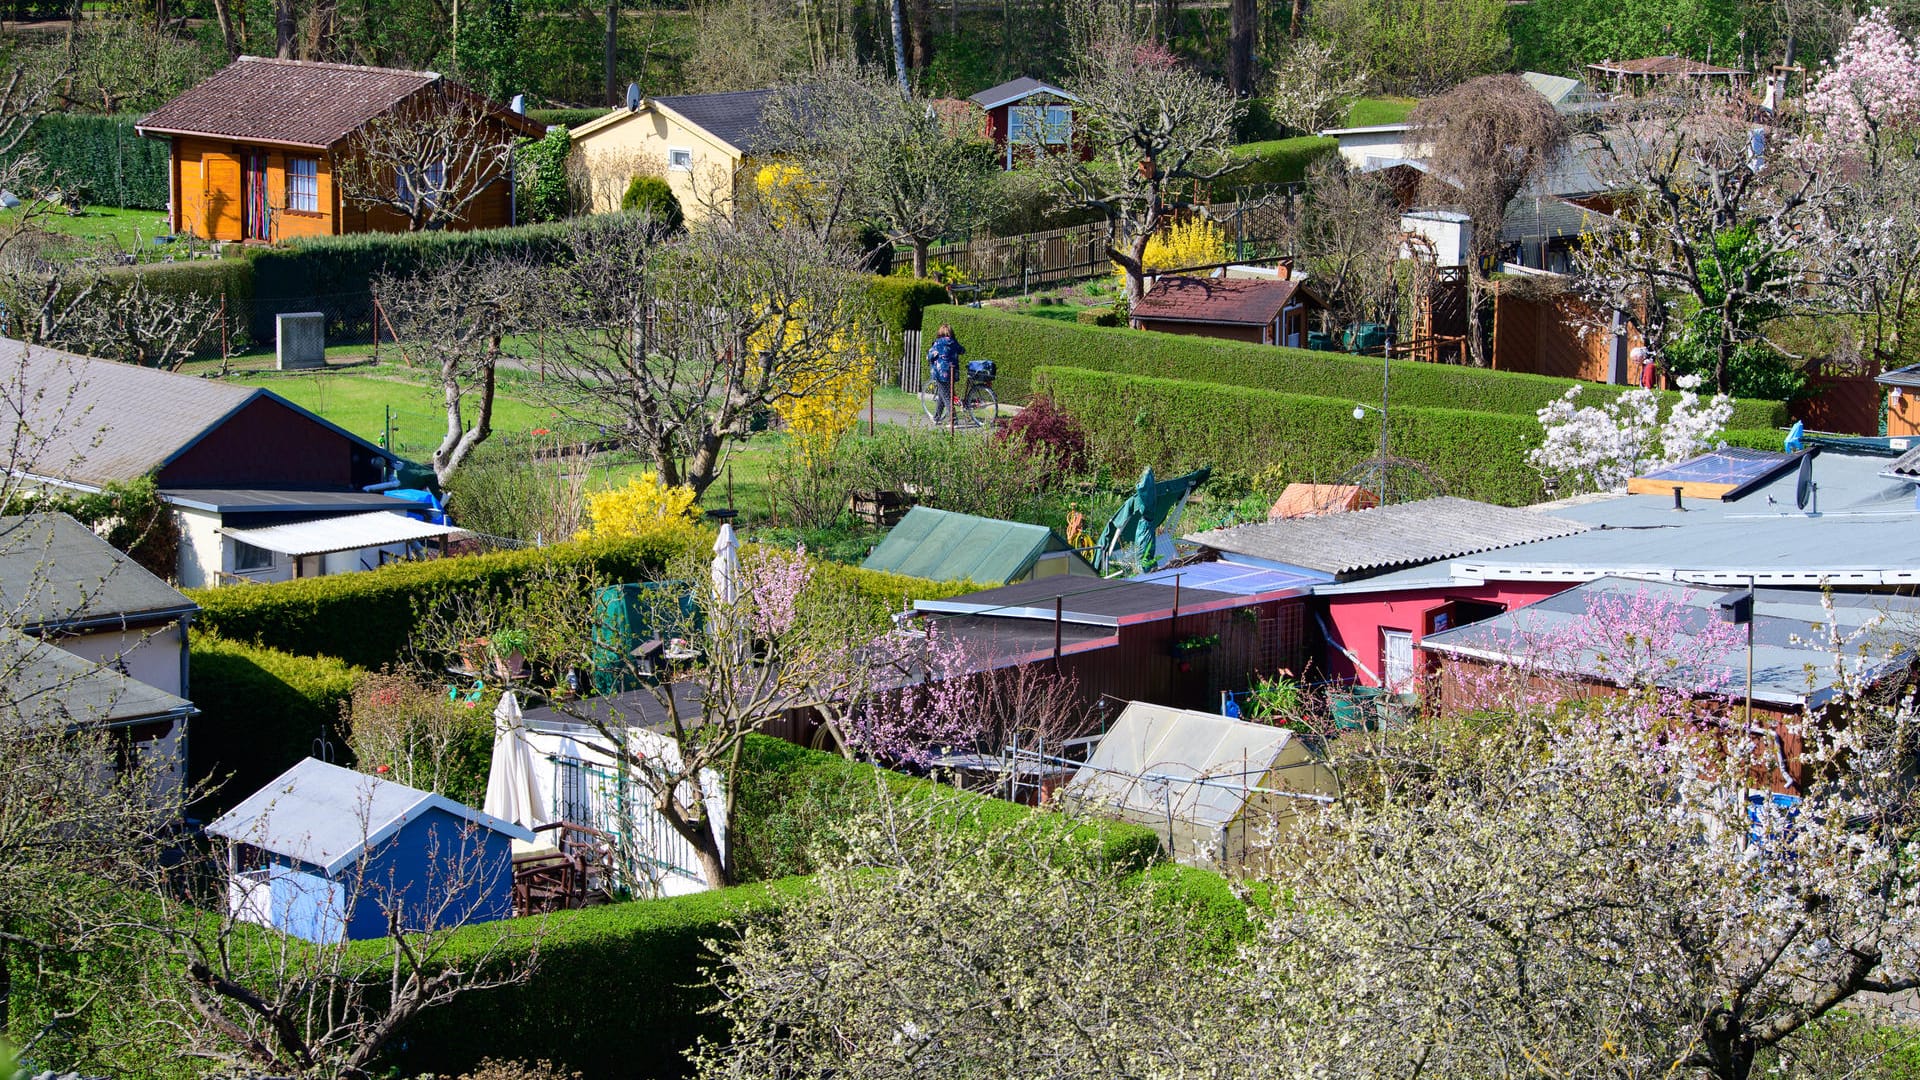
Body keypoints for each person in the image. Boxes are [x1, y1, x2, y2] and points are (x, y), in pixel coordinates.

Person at [926, 324, 965, 423]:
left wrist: (931, 356)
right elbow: (962, 350)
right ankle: (937, 417)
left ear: (940, 333)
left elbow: (930, 355)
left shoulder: (938, 343)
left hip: (941, 374)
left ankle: (953, 419)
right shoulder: (954, 342)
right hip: (952, 373)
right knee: (942, 394)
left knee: (946, 396)